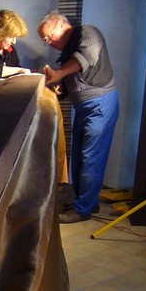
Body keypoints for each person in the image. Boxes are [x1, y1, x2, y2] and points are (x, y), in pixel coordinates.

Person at [37, 11, 119, 224]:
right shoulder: (66, 53)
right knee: (79, 157)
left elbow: (84, 59)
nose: (48, 43)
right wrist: (55, 87)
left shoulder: (88, 34)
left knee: (91, 157)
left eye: (48, 37)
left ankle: (82, 210)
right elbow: (66, 86)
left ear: (60, 24)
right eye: (45, 41)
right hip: (83, 108)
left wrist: (59, 73)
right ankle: (87, 201)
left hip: (100, 104)